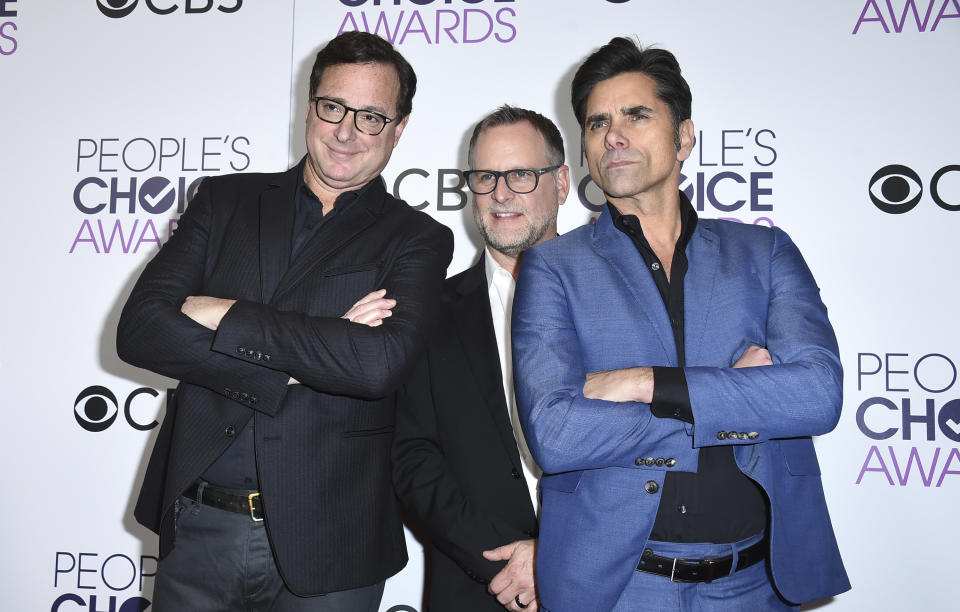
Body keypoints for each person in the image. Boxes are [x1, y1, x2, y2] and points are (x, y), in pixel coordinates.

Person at [116, 31, 453, 611]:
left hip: (333, 546)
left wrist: (222, 315)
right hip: (197, 528)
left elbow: (375, 366)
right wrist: (306, 361)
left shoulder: (417, 239)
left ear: (399, 130)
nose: (346, 131)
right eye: (333, 107)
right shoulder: (224, 203)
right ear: (310, 105)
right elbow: (142, 329)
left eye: (371, 117)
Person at [510, 37, 850, 611]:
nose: (612, 135)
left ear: (684, 135)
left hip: (756, 584)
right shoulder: (552, 267)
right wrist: (738, 402)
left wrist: (649, 383)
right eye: (597, 124)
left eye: (636, 116)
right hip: (621, 588)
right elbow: (556, 434)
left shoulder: (763, 252)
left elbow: (819, 394)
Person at [392, 106, 570, 612]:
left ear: (560, 182)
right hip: (479, 588)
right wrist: (506, 564)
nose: (500, 192)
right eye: (485, 176)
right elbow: (412, 458)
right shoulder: (426, 313)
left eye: (520, 174)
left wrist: (561, 555)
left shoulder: (620, 301)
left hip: (609, 581)